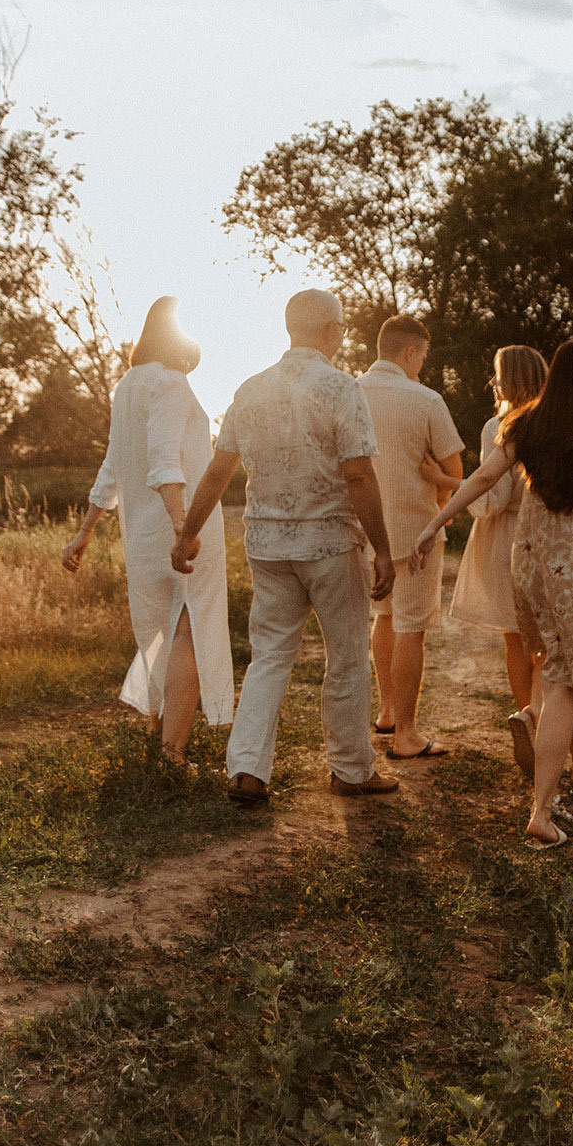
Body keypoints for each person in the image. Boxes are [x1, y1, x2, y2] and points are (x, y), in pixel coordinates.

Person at [409, 338, 573, 849]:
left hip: (527, 560)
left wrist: (435, 522)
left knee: (554, 665)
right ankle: (542, 812)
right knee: (563, 682)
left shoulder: (526, 423)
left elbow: (483, 477)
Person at [171, 289, 398, 807]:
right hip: (330, 544)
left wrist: (187, 534)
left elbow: (217, 470)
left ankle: (247, 770)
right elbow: (359, 474)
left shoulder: (250, 390)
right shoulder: (341, 388)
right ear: (333, 330)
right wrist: (382, 549)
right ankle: (350, 769)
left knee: (270, 654)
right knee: (346, 656)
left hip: (268, 546)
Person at [61, 296, 233, 764]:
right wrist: (184, 526)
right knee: (190, 626)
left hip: (138, 531)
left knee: (159, 631)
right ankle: (173, 752)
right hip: (179, 524)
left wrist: (85, 532)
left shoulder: (128, 385)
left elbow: (112, 464)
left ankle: (160, 732)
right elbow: (163, 460)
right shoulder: (172, 385)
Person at [357, 315, 464, 761]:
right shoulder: (426, 399)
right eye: (422, 355)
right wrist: (440, 505)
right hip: (415, 531)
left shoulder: (349, 392)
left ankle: (386, 712)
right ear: (408, 353)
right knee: (411, 628)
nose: (422, 363)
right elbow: (454, 470)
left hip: (363, 533)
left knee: (383, 618)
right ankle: (408, 734)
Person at [449, 345, 548, 723]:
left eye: (498, 374)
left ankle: (527, 716)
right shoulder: (555, 421)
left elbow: (494, 496)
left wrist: (454, 485)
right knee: (546, 639)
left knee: (515, 637)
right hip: (548, 533)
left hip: (506, 538)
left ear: (514, 379)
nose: (492, 381)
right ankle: (541, 713)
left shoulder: (499, 426)